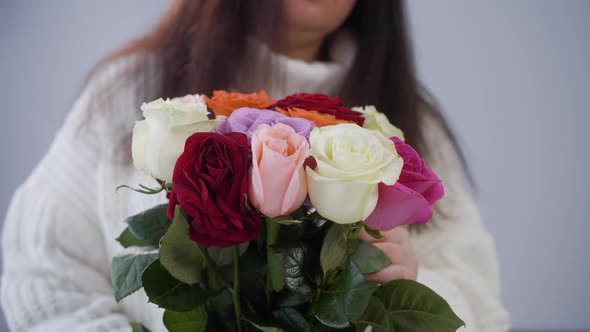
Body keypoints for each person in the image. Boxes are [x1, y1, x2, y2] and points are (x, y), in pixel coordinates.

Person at [1, 1, 510, 331]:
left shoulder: (410, 119)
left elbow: (481, 305)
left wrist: (403, 288)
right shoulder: (130, 92)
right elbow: (44, 276)